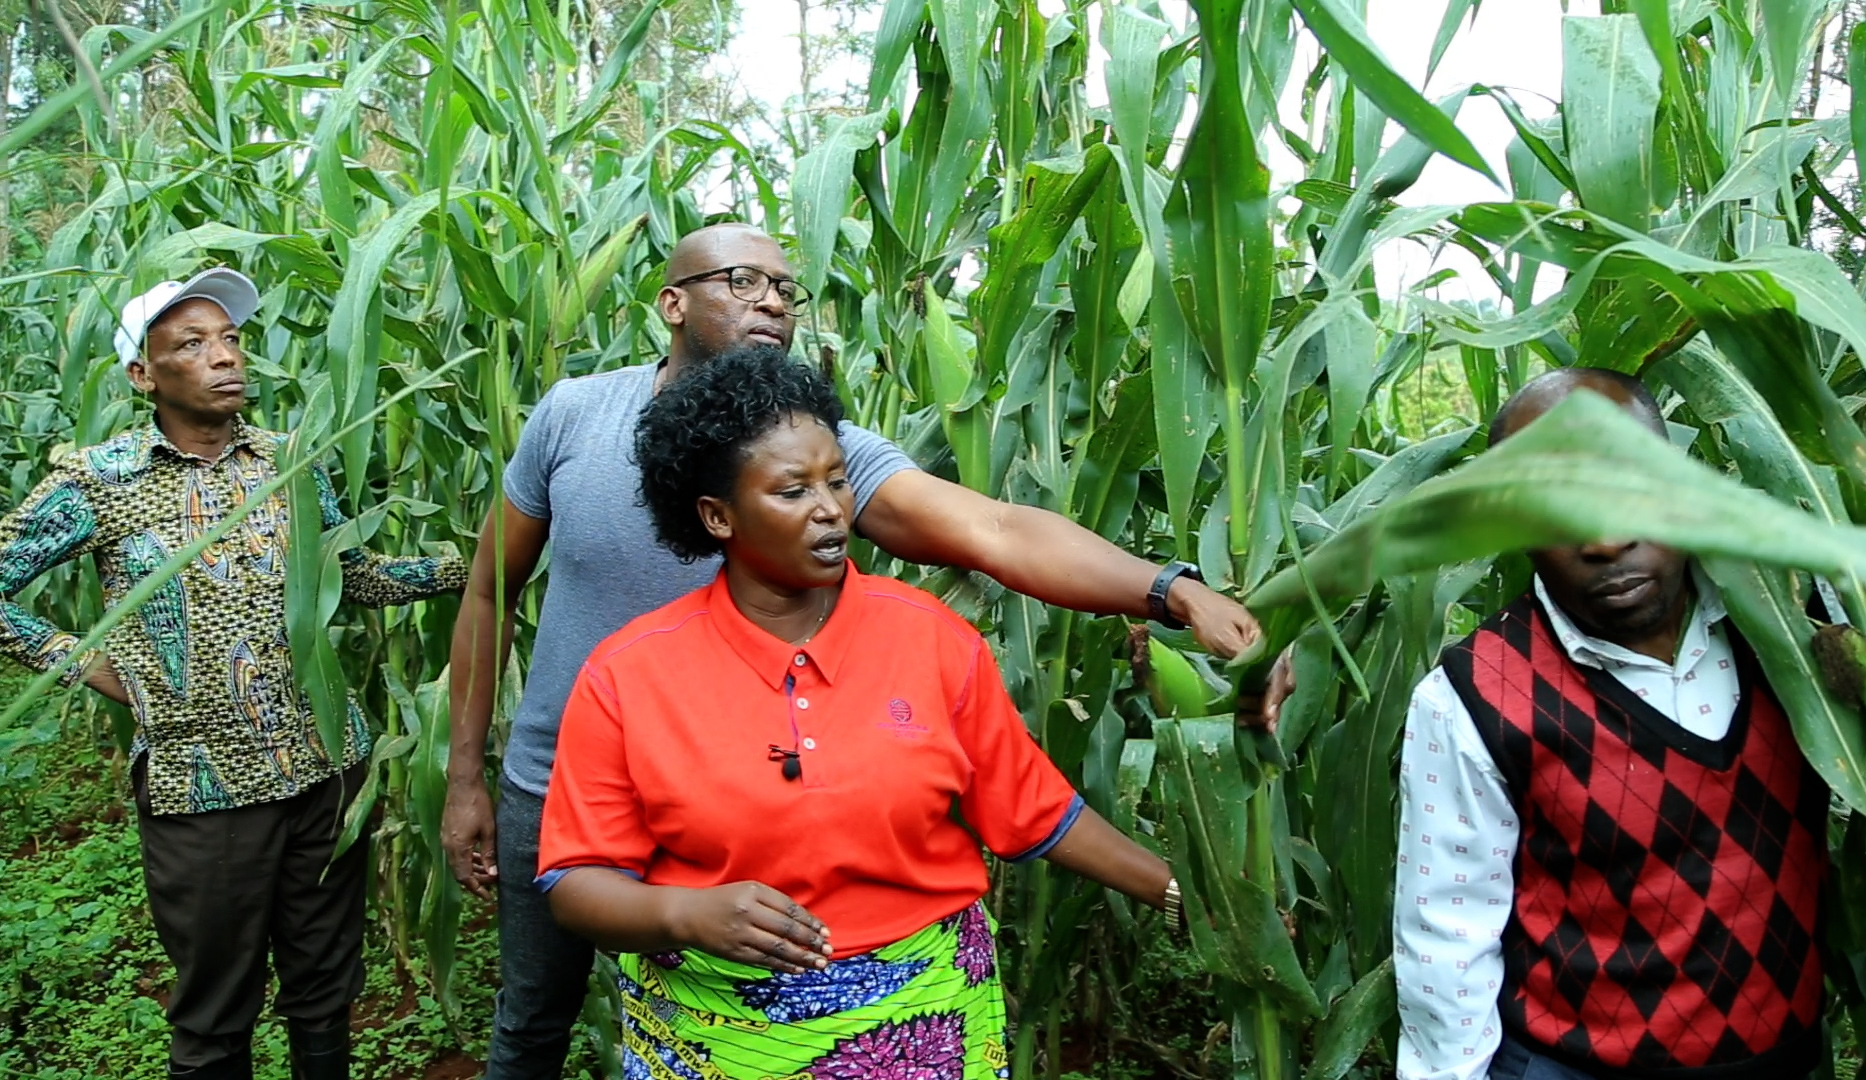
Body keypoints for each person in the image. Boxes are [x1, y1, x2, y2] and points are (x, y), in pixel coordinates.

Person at [443, 222, 1263, 1077]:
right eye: (743, 280)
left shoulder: (828, 456)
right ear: (673, 303)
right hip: (563, 780)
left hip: (816, 822)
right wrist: (465, 775)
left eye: (785, 288)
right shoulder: (574, 420)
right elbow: (489, 590)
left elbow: (998, 531)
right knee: (533, 1023)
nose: (772, 301)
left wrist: (1170, 589)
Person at [535, 344, 1183, 1076]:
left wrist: (1177, 891)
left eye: (837, 481)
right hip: (718, 1036)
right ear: (718, 516)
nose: (830, 510)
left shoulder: (929, 637)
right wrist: (683, 914)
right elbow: (577, 882)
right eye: (792, 491)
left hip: (928, 1024)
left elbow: (1033, 809)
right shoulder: (630, 673)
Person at [0, 268, 468, 1080]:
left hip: (324, 769)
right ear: (143, 376)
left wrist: (475, 564)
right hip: (202, 791)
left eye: (230, 339)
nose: (224, 357)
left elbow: (351, 577)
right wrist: (81, 661)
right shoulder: (99, 482)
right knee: (216, 1014)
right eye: (192, 344)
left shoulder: (290, 460)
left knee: (325, 993)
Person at [1392, 368, 1826, 1080]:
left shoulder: (1795, 628)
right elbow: (1447, 941)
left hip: (1786, 1053)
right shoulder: (1471, 699)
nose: (1605, 538)